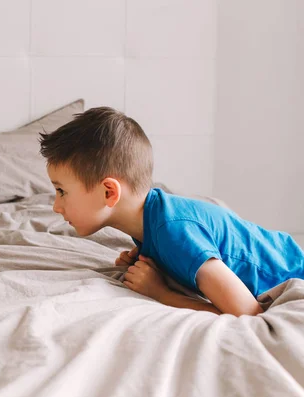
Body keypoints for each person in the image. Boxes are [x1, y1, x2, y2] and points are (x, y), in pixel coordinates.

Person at [39, 107, 304, 316]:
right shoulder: (151, 219)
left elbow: (248, 312)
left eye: (61, 191)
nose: (56, 206)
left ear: (109, 192)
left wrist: (162, 293)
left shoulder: (174, 231)